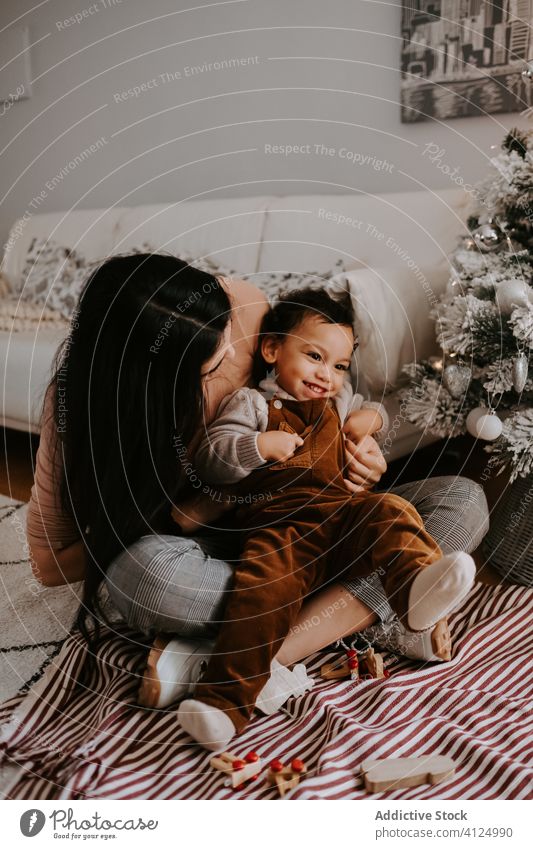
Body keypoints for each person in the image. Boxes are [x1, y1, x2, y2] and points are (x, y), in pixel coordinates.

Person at [26, 254, 488, 716]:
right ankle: (364, 609)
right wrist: (210, 502)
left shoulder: (243, 307)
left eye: (229, 335)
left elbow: (342, 408)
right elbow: (50, 566)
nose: (233, 352)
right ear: (153, 378)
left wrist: (365, 457)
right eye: (213, 353)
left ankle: (235, 657)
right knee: (143, 579)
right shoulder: (79, 408)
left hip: (335, 522)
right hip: (242, 542)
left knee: (464, 499)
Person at [175, 289, 477, 751]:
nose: (327, 375)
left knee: (392, 511)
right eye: (314, 356)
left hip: (345, 519)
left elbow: (370, 412)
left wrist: (369, 429)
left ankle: (415, 586)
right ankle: (223, 704)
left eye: (338, 366)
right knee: (263, 592)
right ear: (273, 350)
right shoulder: (252, 404)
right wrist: (258, 447)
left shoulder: (338, 405)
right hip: (283, 531)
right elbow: (213, 456)